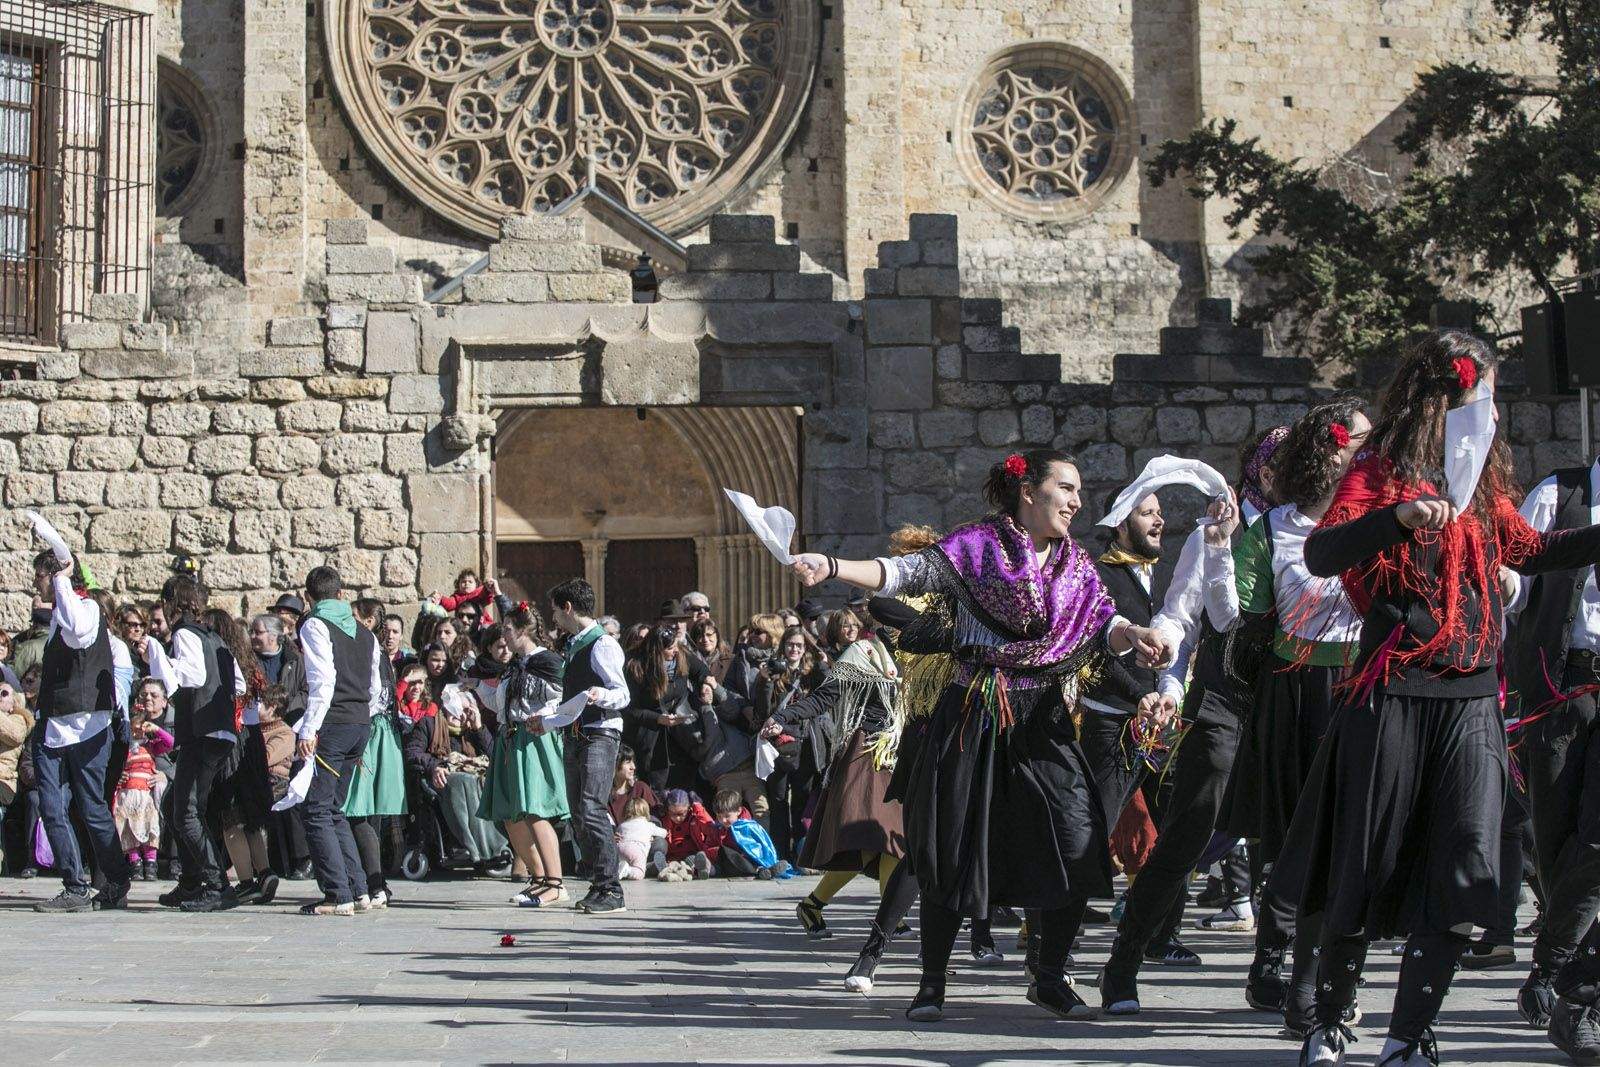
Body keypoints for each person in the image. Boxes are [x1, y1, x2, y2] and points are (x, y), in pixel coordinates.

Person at [1288, 330, 1600, 1066]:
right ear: (1448, 393)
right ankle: (1331, 1020)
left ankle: (1408, 1033)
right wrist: (1396, 518)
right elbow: (1322, 552)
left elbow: (1532, 549)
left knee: (1463, 862)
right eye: (1485, 388)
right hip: (1393, 686)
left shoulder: (1485, 480)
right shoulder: (1384, 469)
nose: (1494, 403)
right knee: (1365, 857)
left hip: (1471, 694)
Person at [791, 449, 1166, 1022]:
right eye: (1064, 487)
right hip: (974, 710)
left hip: (1042, 716)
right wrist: (834, 565)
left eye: (1078, 491)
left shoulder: (1077, 565)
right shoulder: (978, 546)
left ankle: (1049, 974)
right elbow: (904, 573)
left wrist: (1135, 637)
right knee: (951, 845)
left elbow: (1101, 627)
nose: (1075, 500)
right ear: (1028, 491)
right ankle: (933, 982)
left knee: (1078, 836)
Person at [1094, 428, 1285, 1017]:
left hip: (1285, 699)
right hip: (1222, 700)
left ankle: (1271, 967)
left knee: (1285, 836)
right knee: (1190, 832)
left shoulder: (1305, 528)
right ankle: (1125, 960)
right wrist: (1170, 682)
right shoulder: (1216, 531)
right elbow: (1183, 615)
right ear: (1262, 469)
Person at [1075, 489, 1199, 967]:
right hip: (1110, 722)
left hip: (1162, 722)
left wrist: (1170, 693)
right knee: (1093, 830)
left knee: (1175, 829)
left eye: (1161, 512)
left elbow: (1180, 643)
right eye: (1148, 512)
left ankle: (1160, 934)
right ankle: (1048, 942)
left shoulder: (1167, 577)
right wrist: (1137, 696)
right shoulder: (1097, 575)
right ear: (1121, 522)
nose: (1160, 520)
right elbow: (1095, 653)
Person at [1505, 446, 1600, 1049]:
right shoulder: (1556, 494)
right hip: (1561, 688)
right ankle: (1555, 964)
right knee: (1559, 835)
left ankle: (1577, 994)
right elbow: (1511, 587)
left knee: (1597, 841)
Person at [26, 512, 133, 913]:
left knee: (91, 808)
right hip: (52, 728)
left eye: (41, 578)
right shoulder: (57, 615)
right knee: (52, 807)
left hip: (87, 728)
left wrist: (62, 575)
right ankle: (74, 885)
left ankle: (116, 879)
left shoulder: (83, 610)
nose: (36, 586)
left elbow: (77, 631)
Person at [766, 625, 903, 938]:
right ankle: (890, 916)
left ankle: (814, 904)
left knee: (886, 840)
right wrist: (782, 718)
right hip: (865, 752)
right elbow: (823, 698)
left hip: (899, 755)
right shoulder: (862, 653)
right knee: (876, 837)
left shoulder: (916, 656)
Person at [146, 576, 245, 913]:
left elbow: (191, 677)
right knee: (180, 803)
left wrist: (160, 657)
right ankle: (190, 882)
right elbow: (239, 683)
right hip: (219, 731)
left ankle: (218, 884)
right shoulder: (215, 637)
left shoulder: (186, 633)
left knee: (186, 811)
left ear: (174, 602)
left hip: (201, 732)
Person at [293, 566, 383, 917]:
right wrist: (362, 719)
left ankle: (337, 894)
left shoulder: (314, 625)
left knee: (315, 809)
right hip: (360, 723)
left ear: (309, 598)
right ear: (341, 595)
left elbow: (322, 680)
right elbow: (376, 689)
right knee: (334, 809)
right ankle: (359, 890)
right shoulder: (366, 634)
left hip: (332, 724)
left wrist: (308, 729)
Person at [473, 606, 570, 908]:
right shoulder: (516, 665)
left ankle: (556, 883)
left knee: (535, 810)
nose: (503, 635)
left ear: (523, 630)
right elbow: (503, 703)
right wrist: (474, 687)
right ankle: (539, 878)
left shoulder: (549, 662)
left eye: (507, 629)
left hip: (535, 738)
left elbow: (563, 700)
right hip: (510, 738)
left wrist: (544, 718)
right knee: (511, 813)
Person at [549, 577, 631, 915]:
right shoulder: (575, 644)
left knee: (592, 806)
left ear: (568, 608)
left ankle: (611, 889)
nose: (553, 617)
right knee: (579, 811)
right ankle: (598, 883)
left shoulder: (602, 644)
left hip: (599, 733)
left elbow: (622, 693)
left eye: (555, 611)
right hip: (577, 733)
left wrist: (601, 695)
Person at [341, 598, 408, 910]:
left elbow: (376, 696)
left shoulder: (369, 647)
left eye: (354, 616)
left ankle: (374, 884)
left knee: (358, 809)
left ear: (367, 621)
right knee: (368, 811)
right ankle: (375, 883)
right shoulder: (374, 649)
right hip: (380, 732)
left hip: (371, 732)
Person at [113, 713, 173, 881]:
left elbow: (170, 743)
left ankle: (151, 864)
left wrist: (157, 729)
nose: (136, 734)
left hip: (144, 795)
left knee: (149, 827)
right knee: (127, 829)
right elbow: (114, 769)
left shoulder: (151, 746)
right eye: (133, 730)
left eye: (140, 730)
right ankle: (135, 864)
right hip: (126, 795)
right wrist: (119, 777)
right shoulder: (123, 749)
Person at [0, 677, 35, 874]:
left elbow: (14, 735)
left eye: (4, 694)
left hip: (5, 782)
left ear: (15, 703)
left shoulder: (19, 720)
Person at [615, 796, 667, 880]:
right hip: (636, 850)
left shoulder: (622, 825)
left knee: (622, 864)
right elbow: (664, 833)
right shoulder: (648, 825)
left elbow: (619, 834)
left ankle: (620, 869)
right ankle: (628, 871)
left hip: (619, 849)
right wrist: (652, 835)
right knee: (639, 873)